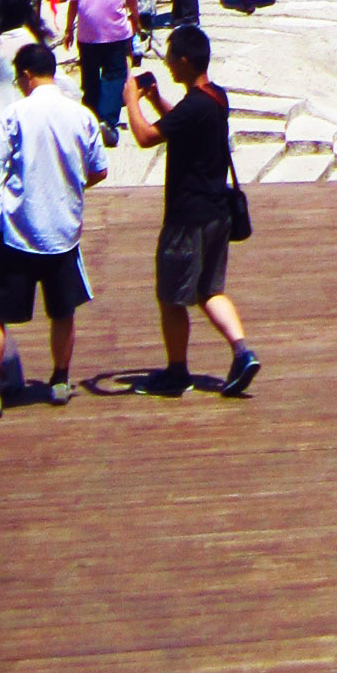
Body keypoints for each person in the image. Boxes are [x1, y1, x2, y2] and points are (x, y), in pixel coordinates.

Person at [0, 41, 106, 417]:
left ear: (24, 74)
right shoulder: (82, 115)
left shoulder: (15, 113)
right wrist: (70, 185)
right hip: (64, 231)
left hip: (19, 230)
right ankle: (59, 381)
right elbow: (99, 170)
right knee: (63, 309)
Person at [126, 24, 260, 396]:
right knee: (209, 290)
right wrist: (155, 101)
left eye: (170, 57)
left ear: (184, 61)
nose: (167, 64)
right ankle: (242, 351)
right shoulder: (214, 97)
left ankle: (176, 371)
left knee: (171, 297)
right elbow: (179, 124)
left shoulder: (195, 105)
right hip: (217, 213)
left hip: (187, 218)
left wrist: (132, 101)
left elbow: (145, 137)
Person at [62, 0, 140, 144]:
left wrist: (69, 29)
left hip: (87, 33)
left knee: (90, 77)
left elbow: (73, 2)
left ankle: (89, 121)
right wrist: (135, 18)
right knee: (114, 75)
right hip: (115, 30)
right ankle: (107, 121)